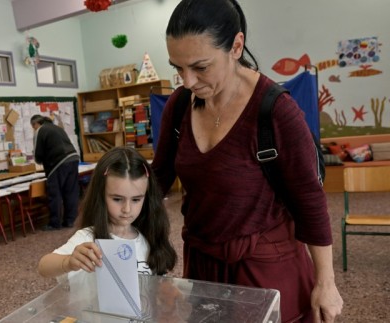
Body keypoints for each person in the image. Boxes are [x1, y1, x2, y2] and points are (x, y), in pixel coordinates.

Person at [151, 1, 343, 322]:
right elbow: (157, 180)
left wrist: (326, 282)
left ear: (236, 46)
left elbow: (309, 202)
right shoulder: (180, 105)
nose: (187, 81)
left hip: (265, 268)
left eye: (200, 67)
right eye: (178, 68)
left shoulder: (277, 112)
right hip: (202, 265)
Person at [38, 147, 177, 284]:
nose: (127, 209)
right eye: (117, 199)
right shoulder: (87, 237)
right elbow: (44, 267)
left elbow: (159, 286)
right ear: (101, 196)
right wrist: (67, 262)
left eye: (136, 199)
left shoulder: (149, 238)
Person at [31, 114, 80, 230]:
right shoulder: (57, 128)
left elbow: (38, 154)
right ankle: (69, 220)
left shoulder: (40, 130)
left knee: (55, 193)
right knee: (71, 192)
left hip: (58, 163)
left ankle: (54, 223)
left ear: (35, 124)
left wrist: (39, 160)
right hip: (73, 158)